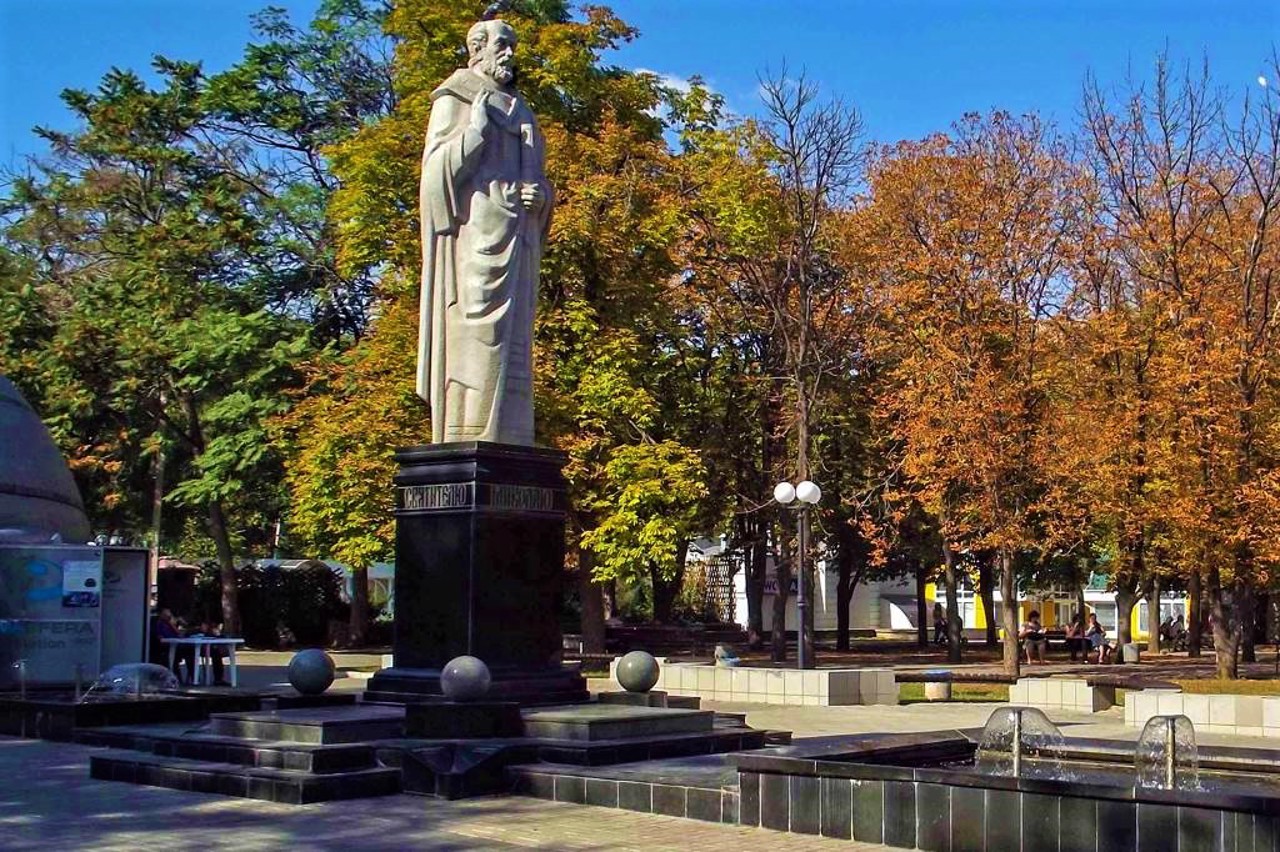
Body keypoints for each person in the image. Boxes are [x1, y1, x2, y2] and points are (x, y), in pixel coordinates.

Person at [416, 15, 553, 445]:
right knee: (475, 332)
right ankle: (464, 433)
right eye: (501, 45)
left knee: (514, 345)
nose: (510, 54)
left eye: (512, 45)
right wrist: (475, 132)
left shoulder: (523, 112)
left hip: (516, 240)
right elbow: (434, 176)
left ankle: (509, 439)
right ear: (477, 49)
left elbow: (539, 181)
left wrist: (541, 198)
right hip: (472, 240)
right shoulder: (454, 98)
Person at [151, 608, 196, 684]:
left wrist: (175, 625)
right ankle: (178, 678)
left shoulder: (169, 624)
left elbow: (179, 634)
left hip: (176, 645)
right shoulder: (160, 624)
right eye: (166, 615)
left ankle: (193, 677)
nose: (168, 617)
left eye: (169, 615)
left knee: (190, 652)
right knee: (177, 657)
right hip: (167, 647)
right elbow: (160, 637)